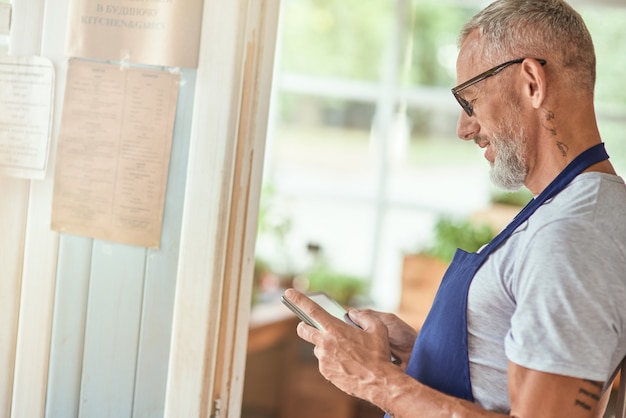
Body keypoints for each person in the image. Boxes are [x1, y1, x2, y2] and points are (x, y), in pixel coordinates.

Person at [282, 0, 626, 416]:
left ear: (532, 82)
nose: (464, 128)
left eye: (470, 101)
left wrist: (375, 378)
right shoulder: (567, 209)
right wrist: (426, 353)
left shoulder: (574, 232)